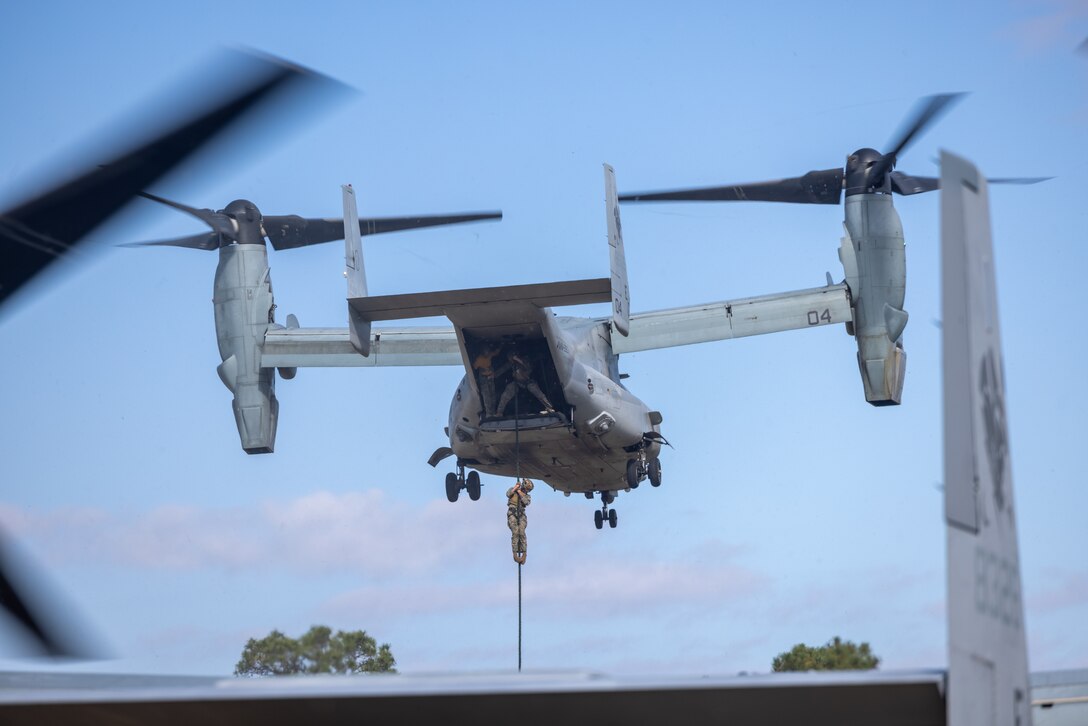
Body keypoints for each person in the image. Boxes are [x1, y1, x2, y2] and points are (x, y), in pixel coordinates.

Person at [496, 348, 555, 416]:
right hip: (517, 382)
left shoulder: (525, 360)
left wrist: (518, 360)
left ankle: (550, 408)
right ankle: (499, 412)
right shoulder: (512, 363)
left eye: (510, 358)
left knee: (539, 394)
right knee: (506, 394)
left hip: (528, 382)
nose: (510, 360)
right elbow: (503, 368)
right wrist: (494, 375)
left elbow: (527, 367)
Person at [472, 342, 507, 418]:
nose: (487, 353)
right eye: (485, 351)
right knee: (487, 396)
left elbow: (496, 352)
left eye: (488, 350)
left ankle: (493, 413)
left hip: (490, 377)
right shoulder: (479, 359)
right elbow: (474, 368)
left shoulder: (490, 354)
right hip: (483, 379)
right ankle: (489, 414)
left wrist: (501, 345)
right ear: (482, 351)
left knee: (492, 395)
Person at [506, 478, 534, 562]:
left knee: (521, 532)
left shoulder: (527, 496)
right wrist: (515, 488)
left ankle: (524, 553)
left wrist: (519, 492)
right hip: (512, 513)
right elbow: (508, 494)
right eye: (526, 489)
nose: (526, 491)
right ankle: (515, 553)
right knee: (515, 532)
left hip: (521, 514)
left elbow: (526, 502)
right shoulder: (513, 490)